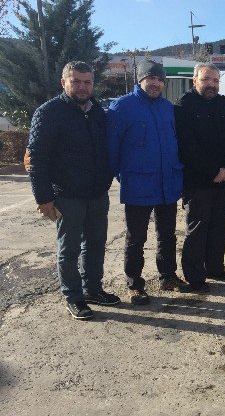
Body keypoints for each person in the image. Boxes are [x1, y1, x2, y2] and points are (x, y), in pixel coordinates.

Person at [27, 61, 119, 320]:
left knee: (96, 244)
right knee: (69, 250)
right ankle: (74, 297)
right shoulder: (49, 112)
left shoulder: (97, 111)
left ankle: (93, 289)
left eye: (87, 82)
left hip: (97, 194)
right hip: (67, 196)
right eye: (76, 81)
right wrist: (43, 197)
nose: (82, 86)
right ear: (64, 82)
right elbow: (37, 158)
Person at [107, 60, 188, 305]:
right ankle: (135, 284)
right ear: (139, 80)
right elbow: (112, 149)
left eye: (159, 80)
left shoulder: (167, 108)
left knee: (167, 234)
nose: (155, 83)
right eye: (150, 79)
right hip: (138, 184)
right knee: (136, 237)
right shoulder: (121, 107)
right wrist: (124, 176)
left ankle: (168, 276)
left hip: (167, 183)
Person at [175, 62, 225, 291]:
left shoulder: (222, 104)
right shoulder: (184, 105)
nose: (211, 84)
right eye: (206, 80)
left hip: (222, 179)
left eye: (215, 80)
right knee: (198, 228)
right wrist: (213, 171)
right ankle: (194, 275)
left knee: (219, 225)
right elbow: (187, 146)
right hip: (198, 181)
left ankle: (215, 268)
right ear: (195, 81)